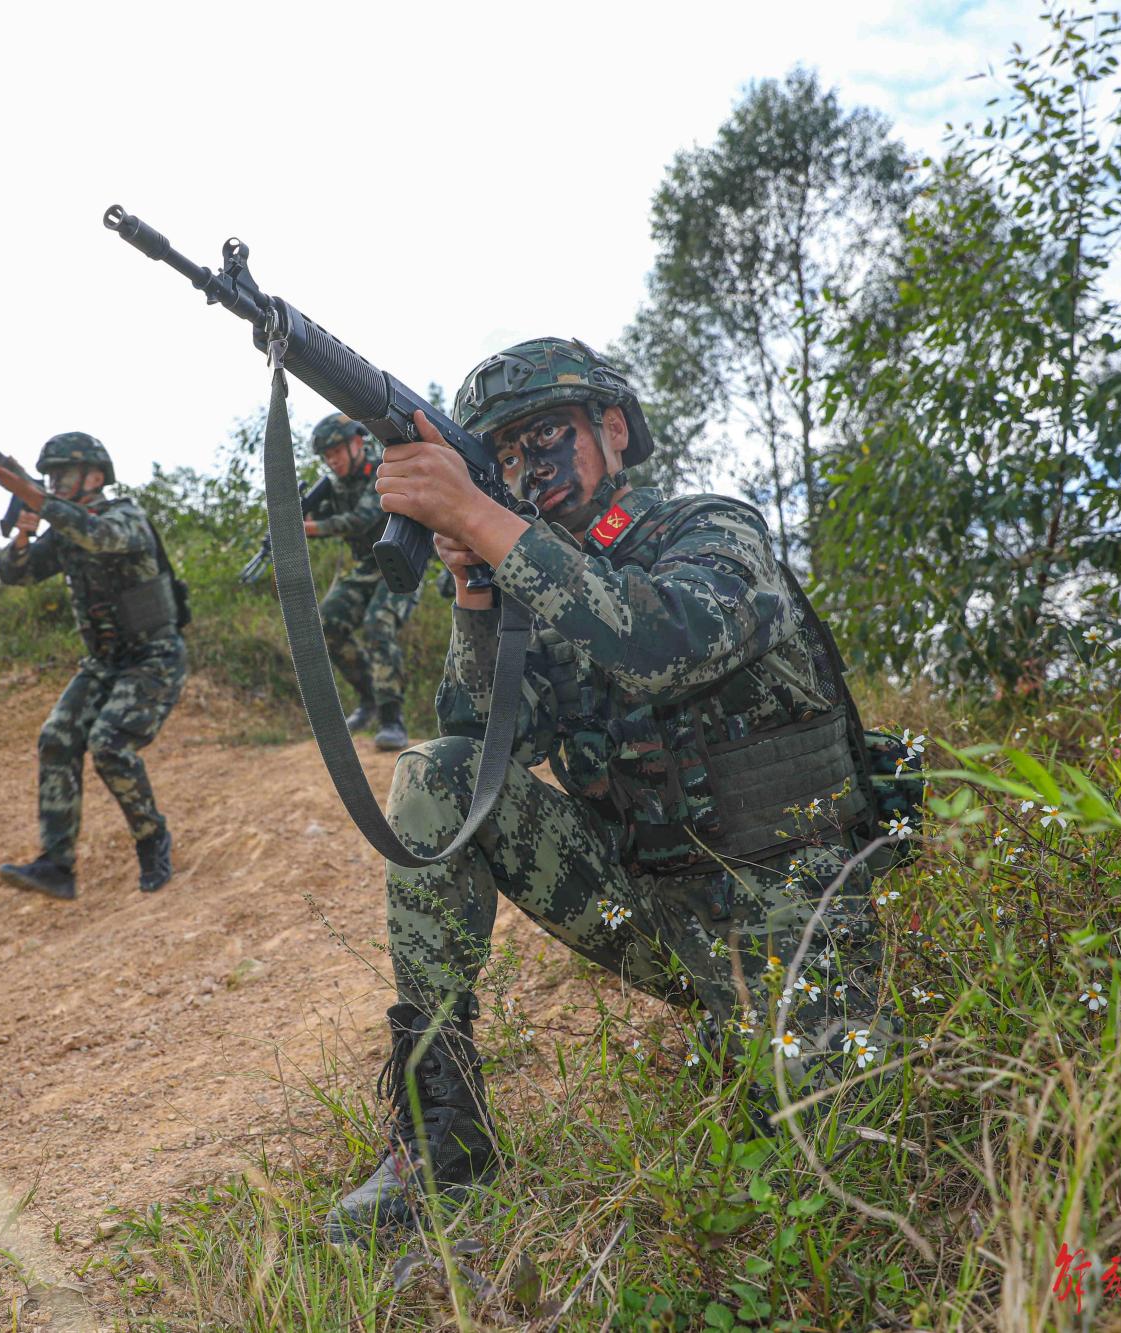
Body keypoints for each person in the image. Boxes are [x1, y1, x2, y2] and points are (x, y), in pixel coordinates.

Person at [324, 338, 898, 1241]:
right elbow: (480, 747)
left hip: (793, 909)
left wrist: (487, 520)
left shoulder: (712, 532)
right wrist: (476, 591)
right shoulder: (531, 579)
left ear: (616, 429)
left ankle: (750, 1031)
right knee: (436, 771)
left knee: (843, 1162)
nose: (525, 466)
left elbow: (659, 640)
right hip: (650, 914)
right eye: (502, 455)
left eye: (545, 435)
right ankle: (442, 1140)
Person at [0, 433, 186, 899]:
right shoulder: (62, 530)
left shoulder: (125, 516)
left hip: (153, 658)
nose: (54, 482)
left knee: (110, 745)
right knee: (56, 738)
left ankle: (152, 838)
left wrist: (37, 499)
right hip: (104, 663)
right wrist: (24, 529)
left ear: (96, 477)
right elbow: (15, 574)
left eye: (64, 474)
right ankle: (57, 865)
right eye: (49, 475)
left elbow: (99, 537)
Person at [305, 414, 423, 752]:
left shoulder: (380, 471)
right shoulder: (336, 487)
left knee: (377, 626)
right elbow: (322, 519)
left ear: (357, 443)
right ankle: (369, 699)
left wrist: (308, 527)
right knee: (325, 625)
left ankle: (392, 719)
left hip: (401, 565)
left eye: (336, 452)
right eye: (326, 457)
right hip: (366, 568)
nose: (332, 461)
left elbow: (359, 520)